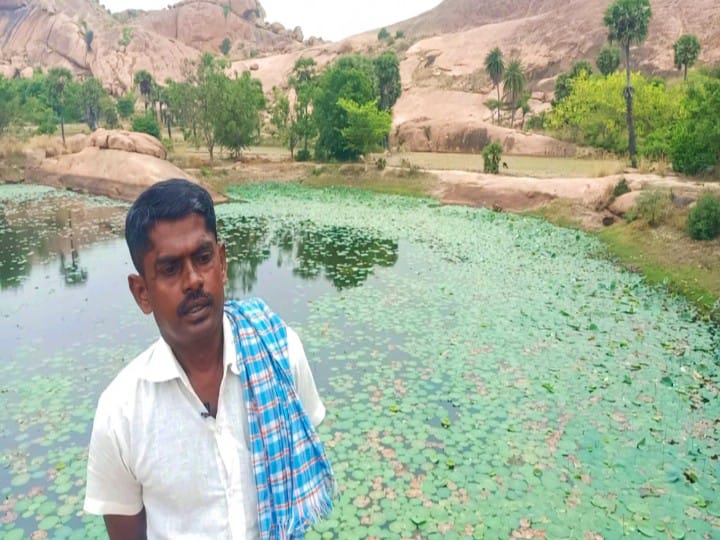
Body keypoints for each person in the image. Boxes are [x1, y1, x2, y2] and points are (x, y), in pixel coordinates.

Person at [84, 179, 335, 540]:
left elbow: (298, 455)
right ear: (142, 293)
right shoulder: (121, 412)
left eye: (203, 259)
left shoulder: (279, 354)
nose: (193, 280)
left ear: (222, 262)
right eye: (170, 269)